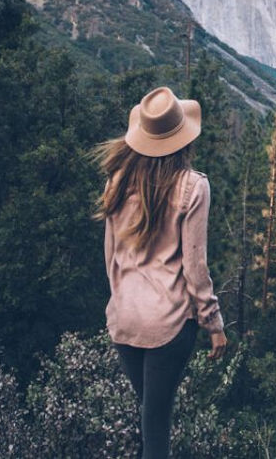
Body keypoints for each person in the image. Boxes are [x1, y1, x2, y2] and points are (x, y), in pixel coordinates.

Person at [94, 86, 228, 459]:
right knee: (157, 421)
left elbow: (111, 256)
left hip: (125, 321)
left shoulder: (117, 181)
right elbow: (195, 266)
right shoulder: (193, 186)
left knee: (149, 415)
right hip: (168, 324)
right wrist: (213, 324)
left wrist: (121, 300)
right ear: (183, 138)